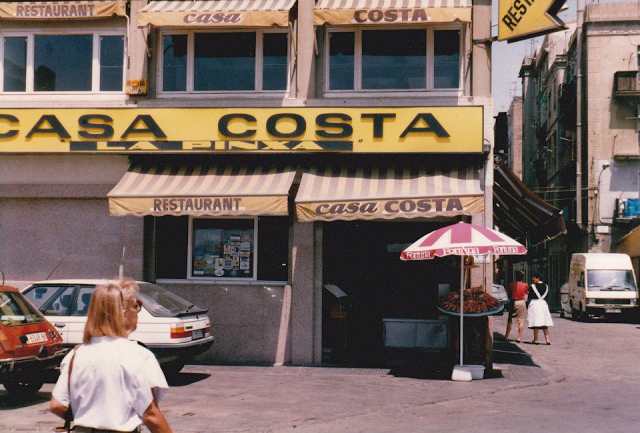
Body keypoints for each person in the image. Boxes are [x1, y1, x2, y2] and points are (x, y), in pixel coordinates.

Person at [50, 279, 173, 433]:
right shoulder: (137, 355)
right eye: (136, 305)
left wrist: (90, 418)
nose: (138, 311)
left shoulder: (76, 355)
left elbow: (57, 404)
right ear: (122, 313)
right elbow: (151, 415)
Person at [527, 273, 554, 345]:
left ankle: (536, 339)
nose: (533, 279)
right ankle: (547, 339)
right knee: (544, 321)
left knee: (535, 321)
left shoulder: (532, 286)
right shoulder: (546, 286)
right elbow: (548, 297)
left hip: (535, 304)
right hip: (543, 304)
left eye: (534, 278)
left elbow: (529, 296)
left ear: (538, 278)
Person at [504, 270, 529, 342]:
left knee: (510, 320)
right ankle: (519, 337)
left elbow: (509, 293)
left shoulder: (511, 284)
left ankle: (506, 336)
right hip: (522, 302)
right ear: (522, 278)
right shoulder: (526, 285)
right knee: (521, 320)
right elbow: (526, 293)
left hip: (513, 301)